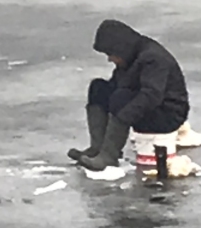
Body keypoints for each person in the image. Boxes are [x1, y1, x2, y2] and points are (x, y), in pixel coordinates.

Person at [68, 19, 190, 171]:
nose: (110, 59)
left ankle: (109, 156)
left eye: (111, 54)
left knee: (122, 97)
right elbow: (119, 85)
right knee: (98, 88)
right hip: (149, 108)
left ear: (120, 48)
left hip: (168, 115)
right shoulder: (130, 56)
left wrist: (124, 114)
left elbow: (151, 96)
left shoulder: (153, 59)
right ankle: (98, 148)